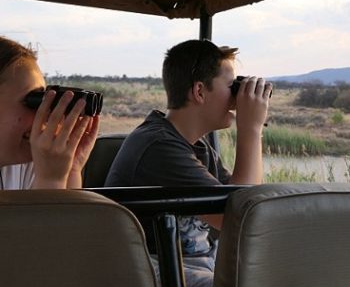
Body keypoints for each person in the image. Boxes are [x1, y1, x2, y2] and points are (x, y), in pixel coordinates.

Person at [105, 39, 272, 287]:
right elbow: (240, 218)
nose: (237, 97)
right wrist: (250, 129)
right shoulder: (158, 146)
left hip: (193, 264)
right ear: (199, 91)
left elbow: (245, 203)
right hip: (153, 267)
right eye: (232, 86)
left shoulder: (196, 146)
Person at [0, 36, 99, 189]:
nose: (45, 114)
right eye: (33, 100)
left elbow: (72, 212)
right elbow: (48, 213)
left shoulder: (28, 164)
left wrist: (70, 169)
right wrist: (51, 181)